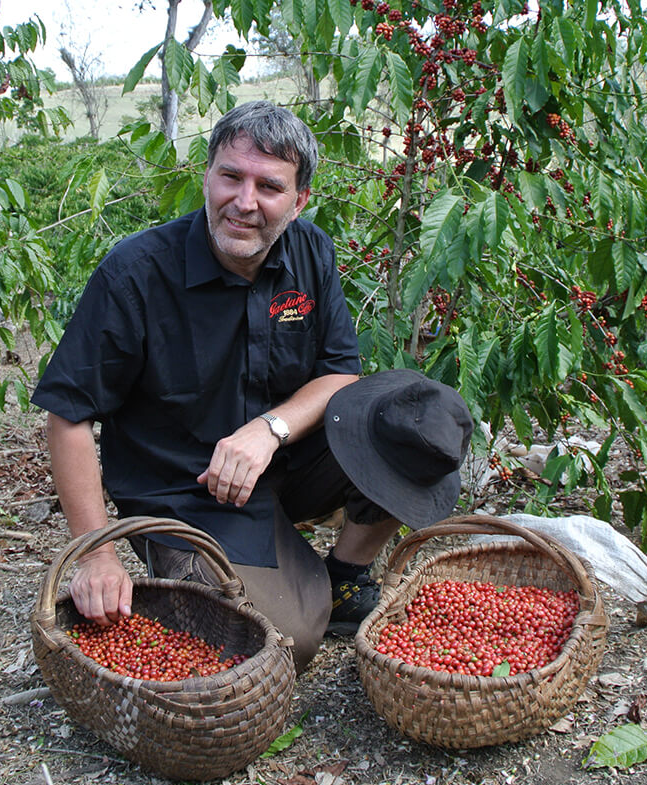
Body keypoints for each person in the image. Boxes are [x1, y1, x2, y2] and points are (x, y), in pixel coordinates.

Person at [32, 100, 473, 671]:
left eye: (269, 186)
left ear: (298, 202)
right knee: (286, 643)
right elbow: (68, 414)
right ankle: (257, 577)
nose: (244, 203)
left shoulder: (310, 251)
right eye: (230, 177)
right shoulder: (136, 274)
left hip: (282, 464)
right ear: (207, 175)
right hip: (185, 492)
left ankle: (339, 579)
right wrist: (96, 553)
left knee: (420, 427)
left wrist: (269, 430)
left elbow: (340, 373)